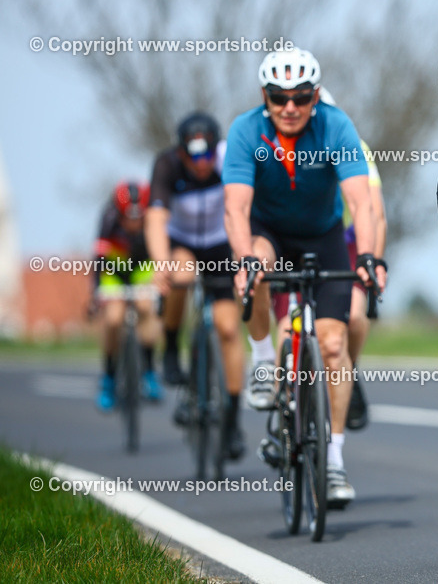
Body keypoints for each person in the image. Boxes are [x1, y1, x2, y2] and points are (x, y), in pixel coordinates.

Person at [223, 48, 386, 508]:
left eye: (300, 97)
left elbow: (362, 202)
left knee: (334, 348)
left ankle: (333, 460)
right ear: (265, 97)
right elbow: (235, 206)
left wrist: (370, 257)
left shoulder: (335, 125)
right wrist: (242, 259)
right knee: (254, 266)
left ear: (315, 96)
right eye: (279, 97)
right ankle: (261, 358)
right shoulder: (245, 130)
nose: (290, 107)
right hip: (268, 232)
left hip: (323, 235)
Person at [270, 88, 387, 431]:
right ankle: (282, 408)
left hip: (344, 240)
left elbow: (376, 214)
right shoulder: (282, 147)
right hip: (292, 237)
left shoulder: (355, 147)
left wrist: (374, 261)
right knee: (285, 322)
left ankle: (348, 369)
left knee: (353, 315)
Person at [145, 111, 245, 460]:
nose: (201, 164)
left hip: (220, 242)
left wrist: (242, 255)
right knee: (182, 275)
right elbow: (156, 220)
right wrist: (161, 264)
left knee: (229, 327)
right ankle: (171, 344)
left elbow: (244, 207)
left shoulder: (229, 159)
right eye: (193, 156)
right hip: (183, 242)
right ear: (181, 152)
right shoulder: (166, 165)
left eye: (207, 155)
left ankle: (232, 418)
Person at [94, 181, 161, 410]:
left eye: (138, 217)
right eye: (128, 218)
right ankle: (109, 376)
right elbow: (98, 259)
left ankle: (150, 371)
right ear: (119, 214)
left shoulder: (151, 219)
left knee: (145, 307)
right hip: (114, 270)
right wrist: (96, 291)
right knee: (113, 318)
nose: (133, 223)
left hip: (142, 268)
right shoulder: (108, 220)